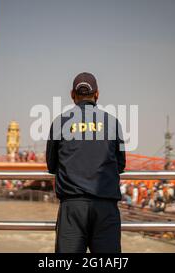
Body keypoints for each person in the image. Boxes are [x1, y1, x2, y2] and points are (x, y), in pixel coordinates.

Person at [46, 72, 126, 253]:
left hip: (72, 207)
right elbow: (121, 164)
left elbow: (51, 165)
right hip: (106, 207)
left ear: (72, 95)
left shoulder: (60, 122)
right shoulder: (113, 123)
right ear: (97, 94)